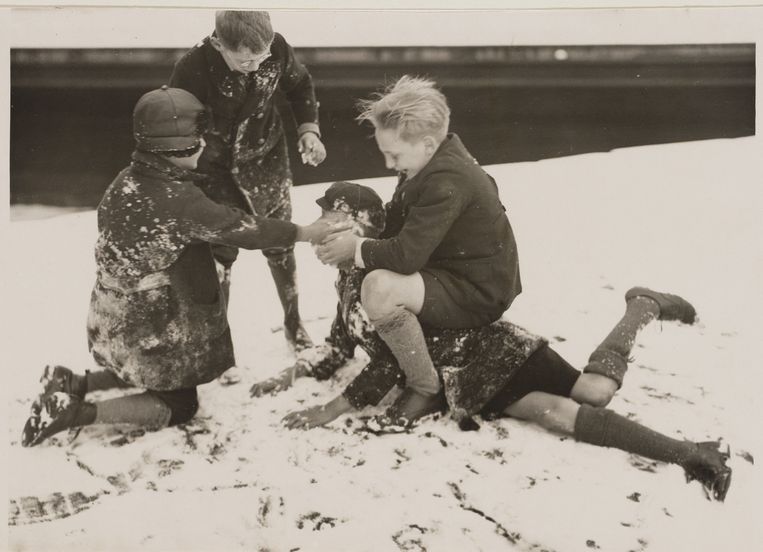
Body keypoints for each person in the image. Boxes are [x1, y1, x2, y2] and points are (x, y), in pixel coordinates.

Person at [254, 181, 732, 502]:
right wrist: (291, 373)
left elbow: (391, 364)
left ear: (363, 230)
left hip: (498, 353)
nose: (320, 239)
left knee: (593, 393)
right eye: (319, 229)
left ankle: (642, 306)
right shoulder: (346, 284)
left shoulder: (382, 277)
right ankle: (691, 452)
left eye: (334, 229)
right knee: (558, 417)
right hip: (468, 382)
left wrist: (334, 407)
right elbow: (342, 344)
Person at [21, 86, 332, 447]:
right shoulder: (180, 202)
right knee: (180, 403)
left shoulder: (125, 180)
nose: (204, 146)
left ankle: (73, 382)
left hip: (112, 317)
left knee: (142, 367)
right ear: (175, 149)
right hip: (151, 329)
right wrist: (306, 232)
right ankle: (75, 412)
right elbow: (244, 228)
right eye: (197, 140)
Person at [315, 76, 522, 422]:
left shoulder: (448, 180)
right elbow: (400, 227)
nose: (388, 164)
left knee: (379, 287)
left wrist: (356, 247)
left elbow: (406, 256)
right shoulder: (428, 162)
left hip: (479, 291)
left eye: (392, 155)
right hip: (451, 269)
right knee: (371, 268)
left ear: (427, 144)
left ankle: (424, 386)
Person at [169, 10, 326, 351]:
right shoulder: (192, 68)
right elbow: (176, 125)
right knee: (219, 254)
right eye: (244, 61)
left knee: (280, 241)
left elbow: (299, 84)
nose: (255, 67)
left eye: (261, 58)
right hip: (213, 168)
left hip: (265, 156)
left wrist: (308, 129)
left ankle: (293, 323)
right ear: (218, 44)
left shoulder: (278, 48)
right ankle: (217, 338)